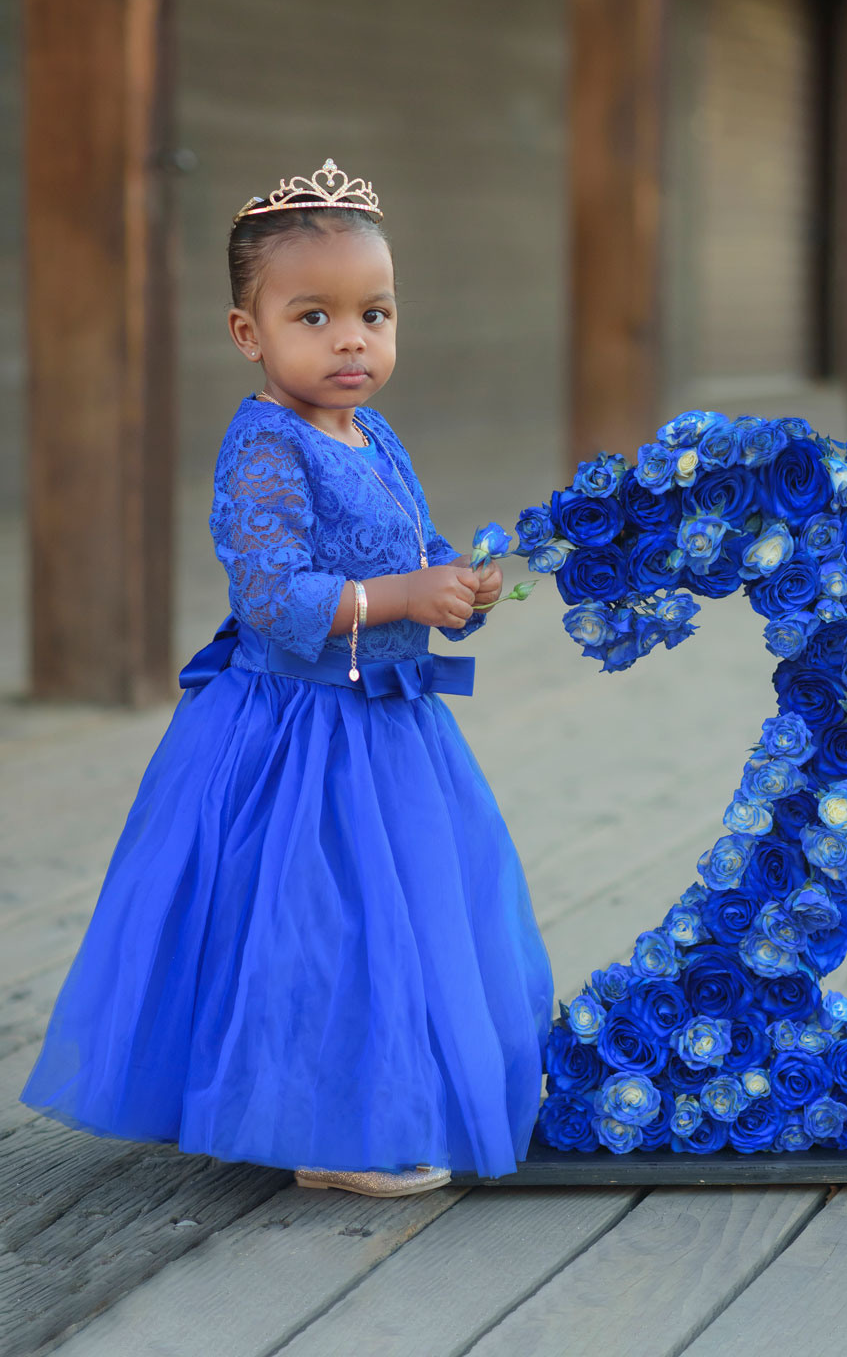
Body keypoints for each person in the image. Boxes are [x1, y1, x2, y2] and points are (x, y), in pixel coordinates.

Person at [20, 159, 555, 1196]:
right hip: (300, 732)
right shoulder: (264, 445)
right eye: (314, 316)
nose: (351, 338)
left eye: (375, 313)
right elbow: (275, 596)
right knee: (315, 918)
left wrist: (456, 580)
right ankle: (328, 1127)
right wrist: (403, 597)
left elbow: (406, 538)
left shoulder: (373, 432)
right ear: (248, 334)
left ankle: (382, 1090)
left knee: (405, 912)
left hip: (390, 729)